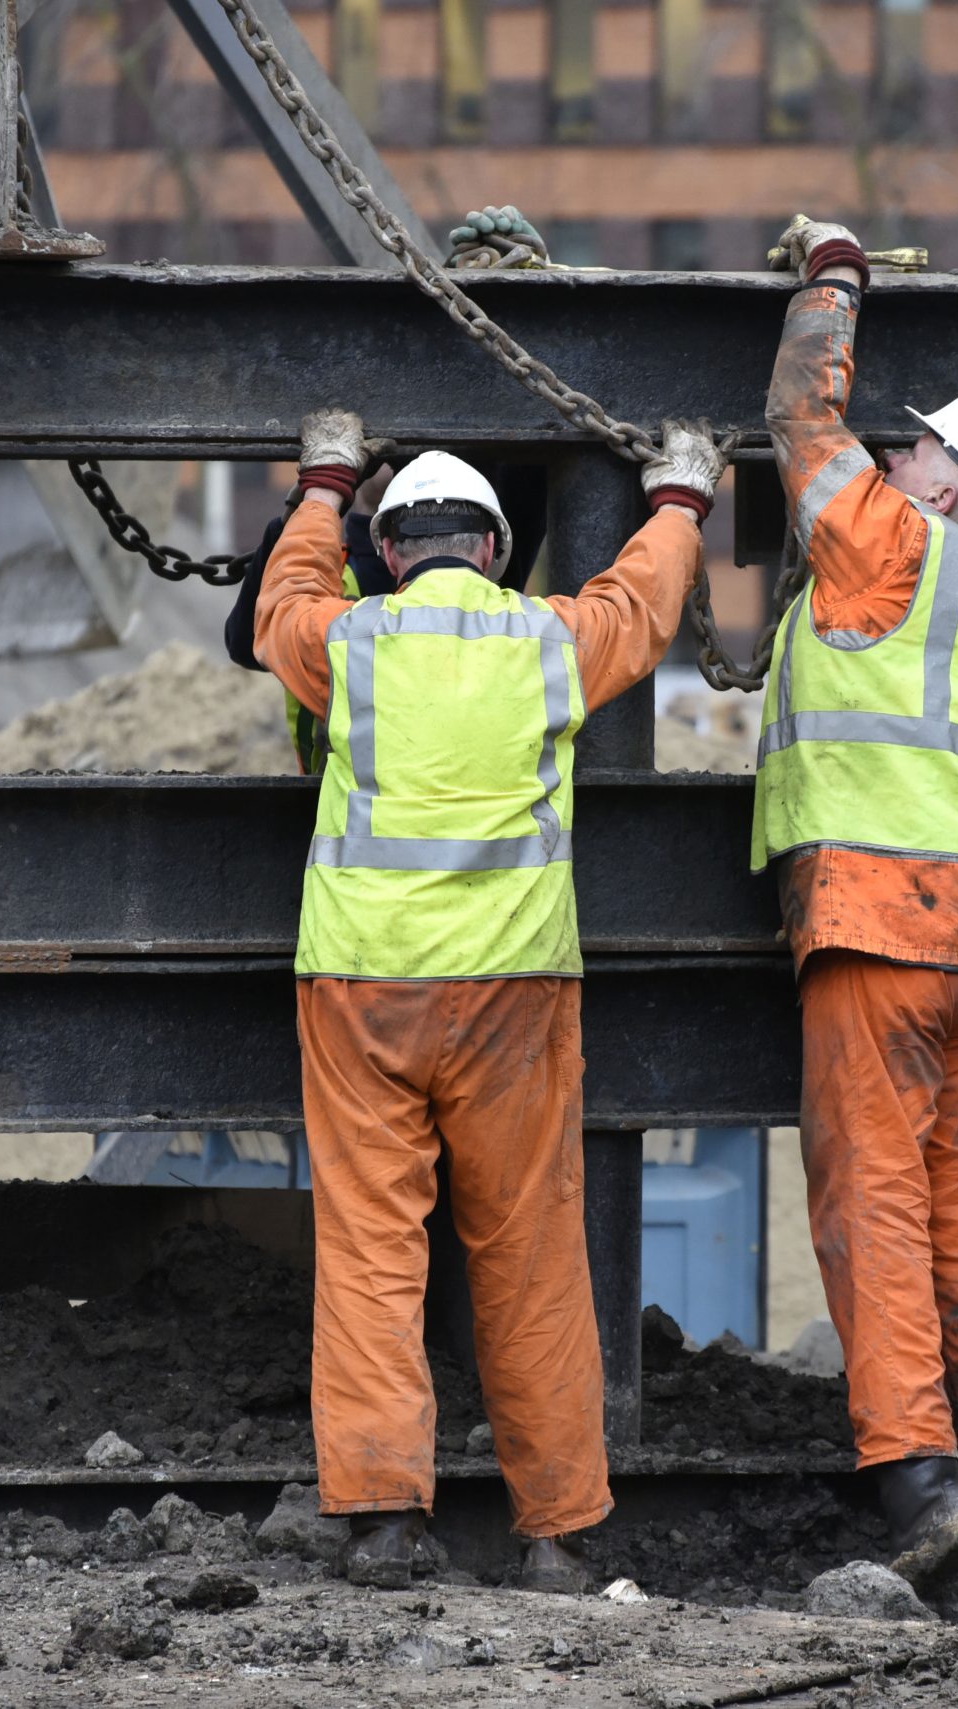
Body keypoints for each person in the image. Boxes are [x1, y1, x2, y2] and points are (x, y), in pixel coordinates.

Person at [255, 409, 722, 1593]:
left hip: (362, 983)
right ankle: (556, 1534)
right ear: (498, 550)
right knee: (528, 1254)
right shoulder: (546, 640)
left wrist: (320, 485)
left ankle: (381, 1522)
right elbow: (640, 605)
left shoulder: (350, 641)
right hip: (514, 991)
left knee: (368, 1249)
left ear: (394, 552)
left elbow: (280, 604)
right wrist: (679, 498)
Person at [753, 214, 958, 1585]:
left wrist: (833, 277)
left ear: (951, 491)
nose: (900, 450)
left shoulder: (886, 540)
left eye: (924, 446)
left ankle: (921, 1491)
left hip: (878, 919)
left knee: (872, 1196)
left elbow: (794, 415)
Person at [222, 462, 549, 773]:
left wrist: (320, 494)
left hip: (347, 808)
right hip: (343, 792)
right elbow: (246, 643)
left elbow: (255, 637)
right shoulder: (508, 613)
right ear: (490, 547)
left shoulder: (320, 590)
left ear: (390, 552)